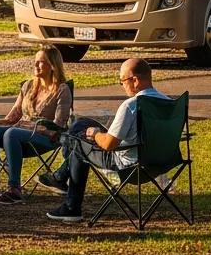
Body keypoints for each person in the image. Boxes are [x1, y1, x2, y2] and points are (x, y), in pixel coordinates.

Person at [44, 56, 169, 222]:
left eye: (123, 81)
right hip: (162, 162)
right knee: (81, 125)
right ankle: (60, 175)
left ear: (135, 80)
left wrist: (95, 134)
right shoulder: (168, 103)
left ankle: (70, 205)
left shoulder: (131, 106)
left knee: (78, 146)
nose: (122, 86)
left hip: (129, 166)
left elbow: (109, 144)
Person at [0, 46, 71, 205]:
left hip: (46, 137)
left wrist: (29, 127)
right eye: (35, 61)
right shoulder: (28, 86)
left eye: (41, 62)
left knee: (11, 133)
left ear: (53, 65)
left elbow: (58, 126)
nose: (36, 66)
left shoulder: (62, 90)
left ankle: (15, 189)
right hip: (19, 133)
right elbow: (14, 116)